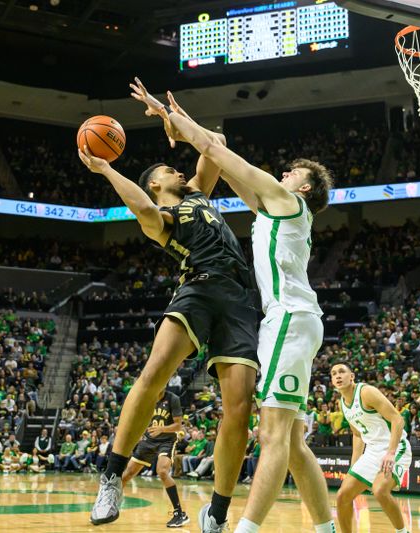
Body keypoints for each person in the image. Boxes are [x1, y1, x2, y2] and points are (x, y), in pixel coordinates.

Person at [140, 80, 336, 533]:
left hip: (288, 318)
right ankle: (327, 529)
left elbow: (220, 152)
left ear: (303, 188)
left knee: (270, 436)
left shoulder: (286, 201)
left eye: (291, 172)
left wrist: (175, 120)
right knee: (291, 441)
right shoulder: (271, 210)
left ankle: (243, 528)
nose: (283, 173)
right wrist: (189, 130)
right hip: (291, 320)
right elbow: (224, 164)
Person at [79, 93, 259, 528]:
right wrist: (105, 167)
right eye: (165, 171)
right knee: (155, 371)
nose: (176, 170)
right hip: (197, 288)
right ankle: (111, 475)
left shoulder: (198, 192)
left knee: (240, 407)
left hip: (240, 299)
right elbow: (140, 206)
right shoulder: (163, 216)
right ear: (155, 184)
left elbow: (213, 142)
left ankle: (216, 513)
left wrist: (170, 116)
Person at [331, 362, 412, 533]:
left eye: (342, 372)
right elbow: (357, 435)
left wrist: (390, 453)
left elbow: (398, 419)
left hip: (395, 447)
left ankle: (403, 531)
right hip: (372, 451)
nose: (338, 376)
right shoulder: (342, 403)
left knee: (380, 490)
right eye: (333, 374)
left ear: (351, 376)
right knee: (342, 496)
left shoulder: (366, 392)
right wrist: (354, 465)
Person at [118, 389, 189, 528]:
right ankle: (111, 504)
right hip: (148, 440)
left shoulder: (173, 398)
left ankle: (179, 513)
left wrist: (161, 429)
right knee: (127, 474)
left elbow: (178, 425)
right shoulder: (147, 398)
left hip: (167, 440)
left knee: (162, 471)